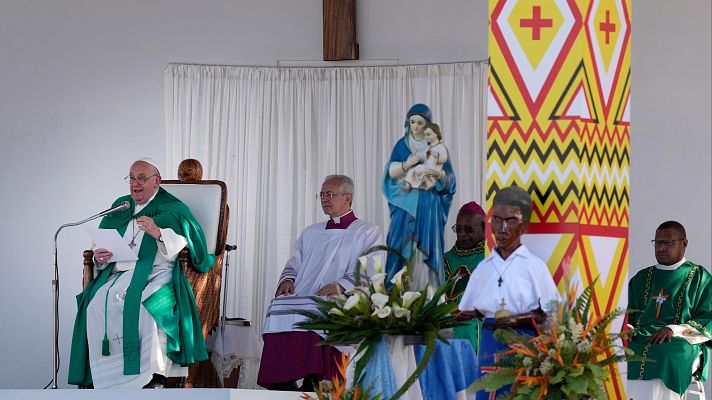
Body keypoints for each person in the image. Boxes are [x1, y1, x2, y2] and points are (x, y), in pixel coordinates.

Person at [68, 158, 215, 389]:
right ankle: (106, 376)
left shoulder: (173, 208)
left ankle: (154, 374)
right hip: (119, 274)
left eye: (141, 178)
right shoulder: (121, 206)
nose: (135, 184)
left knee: (145, 304)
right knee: (96, 304)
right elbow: (101, 244)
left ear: (156, 182)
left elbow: (184, 243)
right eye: (132, 178)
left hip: (157, 273)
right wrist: (99, 257)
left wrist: (158, 233)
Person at [257, 175, 383, 391]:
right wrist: (288, 279)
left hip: (344, 298)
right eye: (322, 195)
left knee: (318, 309)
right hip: (306, 294)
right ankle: (283, 379)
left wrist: (342, 285)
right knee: (279, 305)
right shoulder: (311, 232)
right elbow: (295, 260)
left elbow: (371, 267)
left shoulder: (367, 232)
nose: (324, 199)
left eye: (330, 194)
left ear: (347, 198)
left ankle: (316, 377)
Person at [457, 186, 559, 400]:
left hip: (523, 344)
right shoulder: (483, 268)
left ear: (523, 225)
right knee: (487, 394)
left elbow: (551, 311)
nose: (502, 228)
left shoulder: (534, 267)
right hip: (489, 343)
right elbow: (467, 309)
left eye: (511, 220)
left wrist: (521, 318)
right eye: (497, 219)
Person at [626, 221, 712, 400]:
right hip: (643, 335)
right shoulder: (641, 278)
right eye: (658, 243)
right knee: (618, 352)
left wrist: (673, 329)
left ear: (684, 243)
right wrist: (626, 328)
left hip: (680, 340)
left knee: (667, 355)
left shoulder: (699, 277)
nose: (662, 248)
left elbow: (708, 317)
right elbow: (626, 314)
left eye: (668, 243)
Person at [383, 104, 456, 291]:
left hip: (427, 204)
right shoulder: (402, 144)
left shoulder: (438, 147)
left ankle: (429, 294)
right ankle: (395, 295)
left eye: (420, 123)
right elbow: (390, 173)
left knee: (429, 247)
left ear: (428, 124)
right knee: (399, 245)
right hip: (404, 206)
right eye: (412, 122)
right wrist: (406, 165)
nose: (416, 126)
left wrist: (440, 176)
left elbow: (450, 182)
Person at [443, 201, 486, 353]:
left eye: (468, 229)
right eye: (459, 229)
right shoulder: (445, 260)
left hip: (479, 325)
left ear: (484, 228)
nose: (462, 234)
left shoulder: (491, 258)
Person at [403, 123, 449, 192]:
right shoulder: (428, 147)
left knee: (419, 169)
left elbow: (444, 159)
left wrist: (436, 155)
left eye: (428, 134)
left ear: (436, 134)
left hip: (433, 169)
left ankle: (428, 182)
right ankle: (408, 186)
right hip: (426, 167)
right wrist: (416, 156)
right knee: (411, 170)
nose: (426, 137)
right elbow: (423, 156)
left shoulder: (441, 147)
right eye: (425, 135)